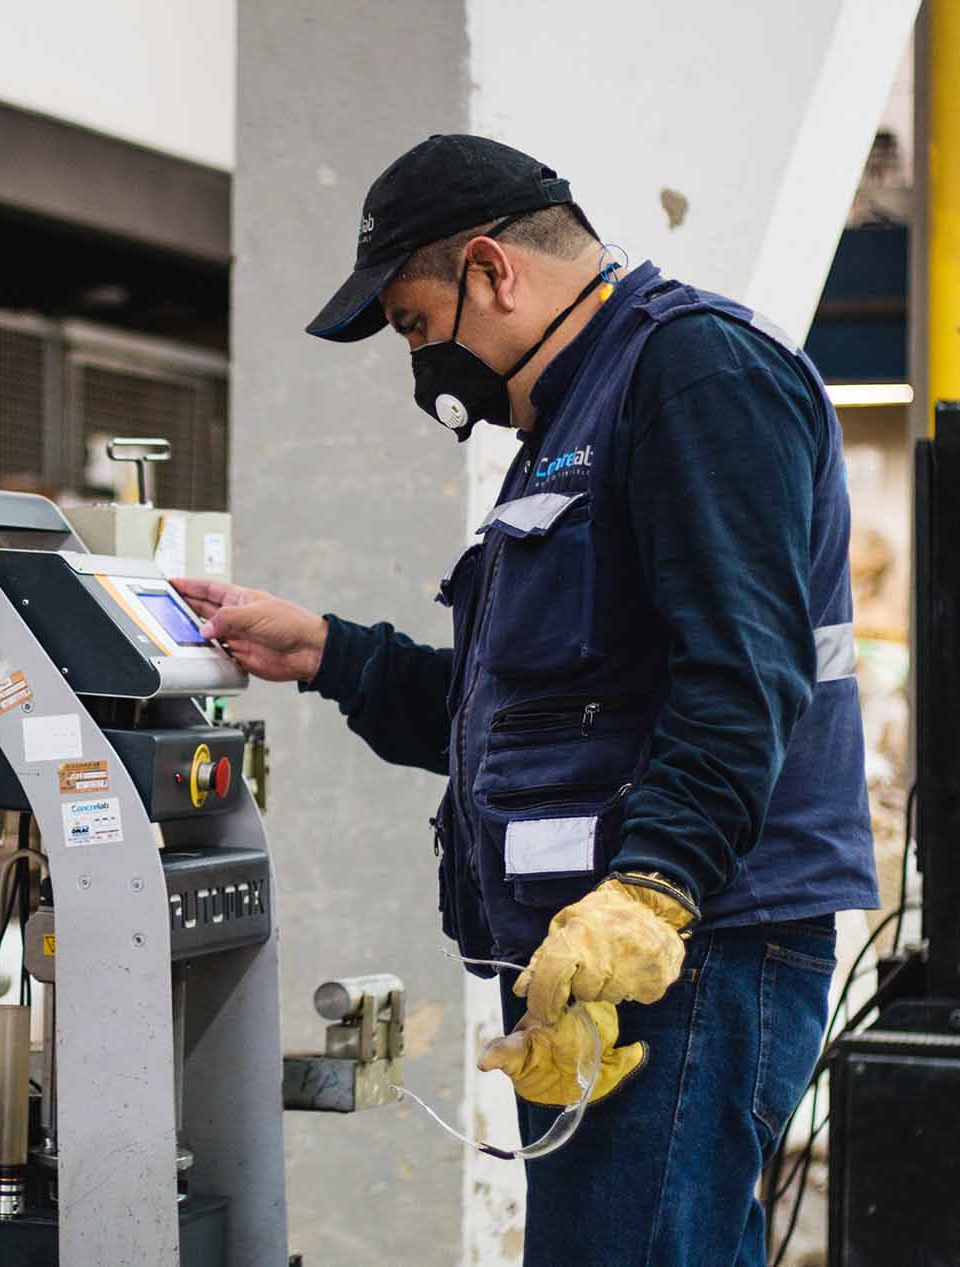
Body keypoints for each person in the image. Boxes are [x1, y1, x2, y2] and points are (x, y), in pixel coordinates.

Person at [176, 134, 877, 1265]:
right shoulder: (567, 422)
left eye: (412, 322)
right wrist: (326, 651)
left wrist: (652, 890)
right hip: (595, 953)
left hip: (690, 943)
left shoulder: (694, 374)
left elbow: (740, 671)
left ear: (492, 270)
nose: (418, 362)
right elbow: (529, 711)